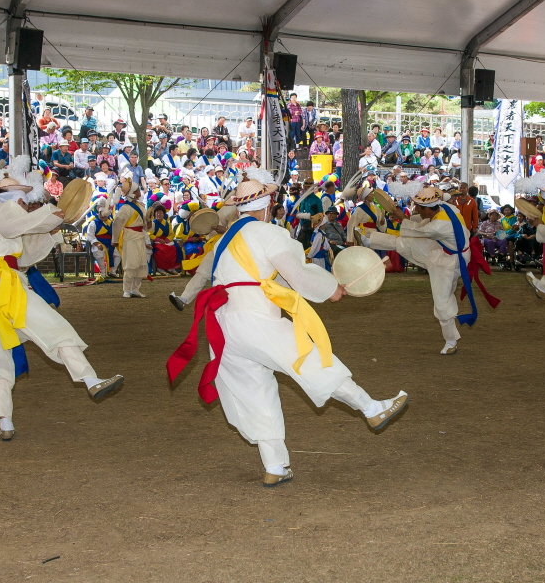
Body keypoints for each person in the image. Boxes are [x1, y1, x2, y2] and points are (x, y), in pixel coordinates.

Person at [166, 166, 408, 486]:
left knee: (255, 392)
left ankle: (275, 467)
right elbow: (296, 276)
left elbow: (275, 278)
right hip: (256, 319)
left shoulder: (226, 241)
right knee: (310, 361)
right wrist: (331, 288)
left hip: (224, 328)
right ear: (266, 204)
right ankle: (371, 407)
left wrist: (325, 285)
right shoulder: (269, 233)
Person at [0, 163, 124, 440]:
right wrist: (53, 214)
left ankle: (4, 420)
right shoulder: (6, 210)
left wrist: (50, 227)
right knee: (53, 327)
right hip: (5, 286)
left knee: (0, 355)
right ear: (15, 193)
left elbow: (21, 254)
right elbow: (21, 233)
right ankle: (90, 379)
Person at [365, 186, 497, 355]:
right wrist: (402, 216)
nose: (415, 209)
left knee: (442, 302)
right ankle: (369, 238)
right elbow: (421, 220)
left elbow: (416, 230)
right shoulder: (448, 207)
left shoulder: (438, 226)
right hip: (443, 249)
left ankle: (451, 341)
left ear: (427, 209)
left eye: (418, 207)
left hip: (450, 262)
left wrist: (401, 217)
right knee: (406, 244)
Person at [111, 177, 150, 298]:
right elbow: (117, 225)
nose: (139, 192)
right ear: (133, 193)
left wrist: (149, 223)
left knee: (141, 263)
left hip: (140, 237)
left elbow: (146, 226)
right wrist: (115, 240)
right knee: (131, 264)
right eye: (137, 190)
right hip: (129, 237)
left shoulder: (141, 206)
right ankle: (126, 290)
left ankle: (135, 289)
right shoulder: (125, 208)